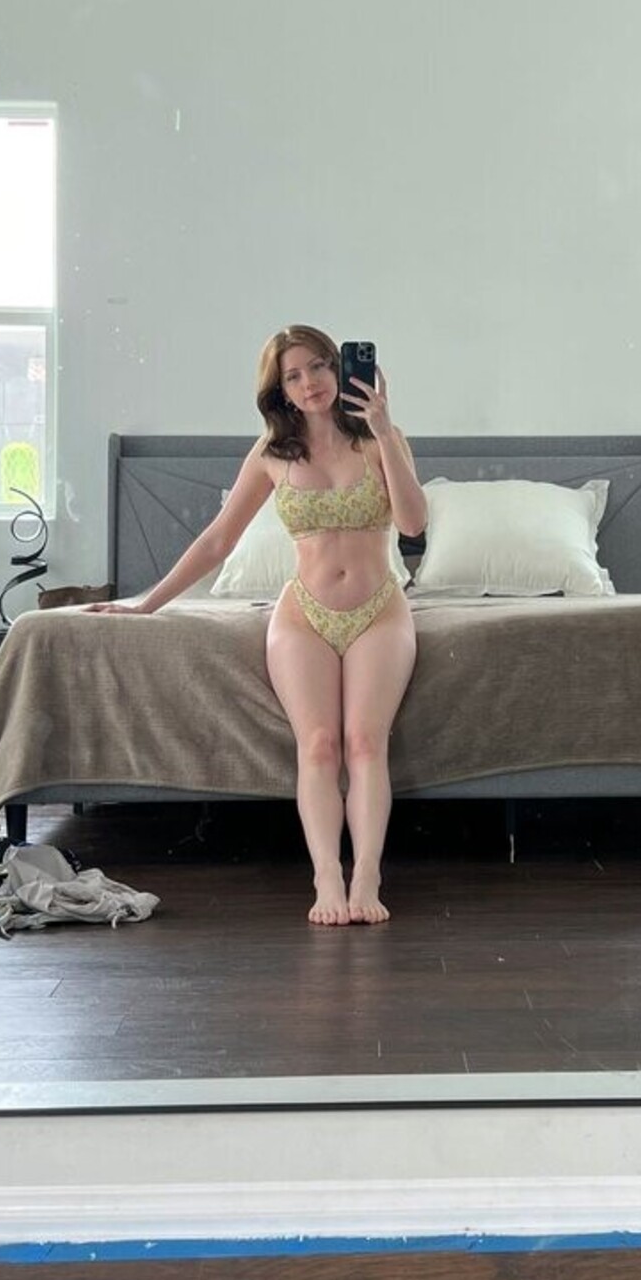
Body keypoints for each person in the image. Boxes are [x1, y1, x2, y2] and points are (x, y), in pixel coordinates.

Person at [86, 325, 426, 925]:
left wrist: (382, 429)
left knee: (365, 743)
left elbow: (414, 523)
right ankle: (327, 876)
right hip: (304, 615)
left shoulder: (382, 438)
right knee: (318, 744)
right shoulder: (272, 452)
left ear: (338, 369)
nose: (309, 383)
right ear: (280, 391)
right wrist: (145, 605)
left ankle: (367, 875)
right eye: (293, 376)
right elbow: (218, 540)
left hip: (379, 608)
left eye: (318, 366)